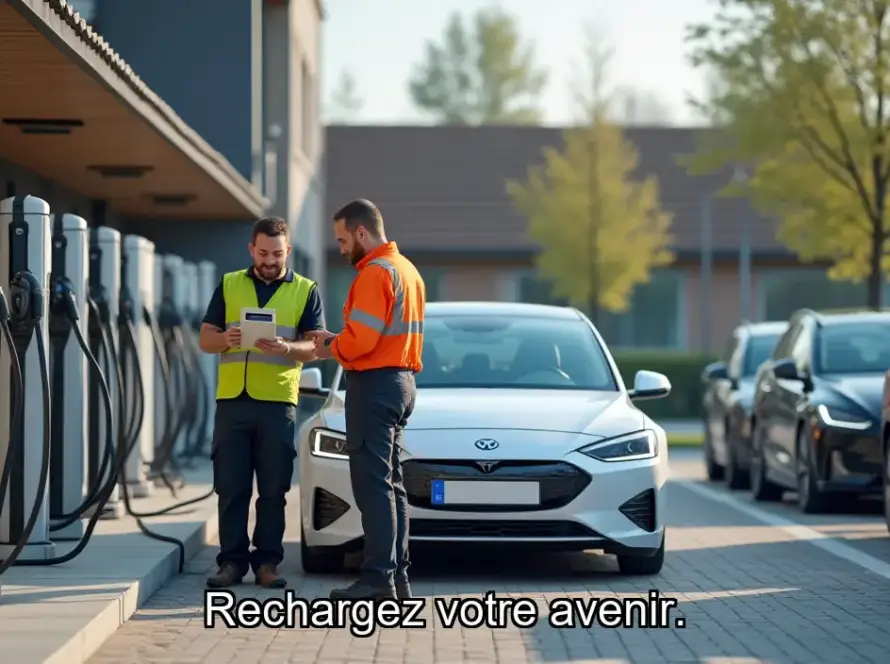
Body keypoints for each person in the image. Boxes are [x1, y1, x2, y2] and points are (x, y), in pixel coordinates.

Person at [199, 216, 325, 589]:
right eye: (264, 253)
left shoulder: (305, 290)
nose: (270, 260)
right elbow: (205, 339)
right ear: (252, 249)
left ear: (288, 251)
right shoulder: (229, 284)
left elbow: (316, 347)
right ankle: (232, 563)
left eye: (278, 254)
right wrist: (227, 339)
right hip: (233, 403)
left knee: (273, 490)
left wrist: (287, 347)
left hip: (277, 404)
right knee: (231, 488)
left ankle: (268, 563)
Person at [311, 199, 425, 601]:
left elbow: (361, 340)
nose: (341, 248)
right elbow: (380, 334)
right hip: (400, 383)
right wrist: (338, 340)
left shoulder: (375, 273)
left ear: (362, 232)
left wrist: (329, 345)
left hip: (373, 387)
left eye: (343, 240)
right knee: (391, 484)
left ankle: (378, 580)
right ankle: (397, 579)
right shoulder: (406, 270)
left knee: (373, 486)